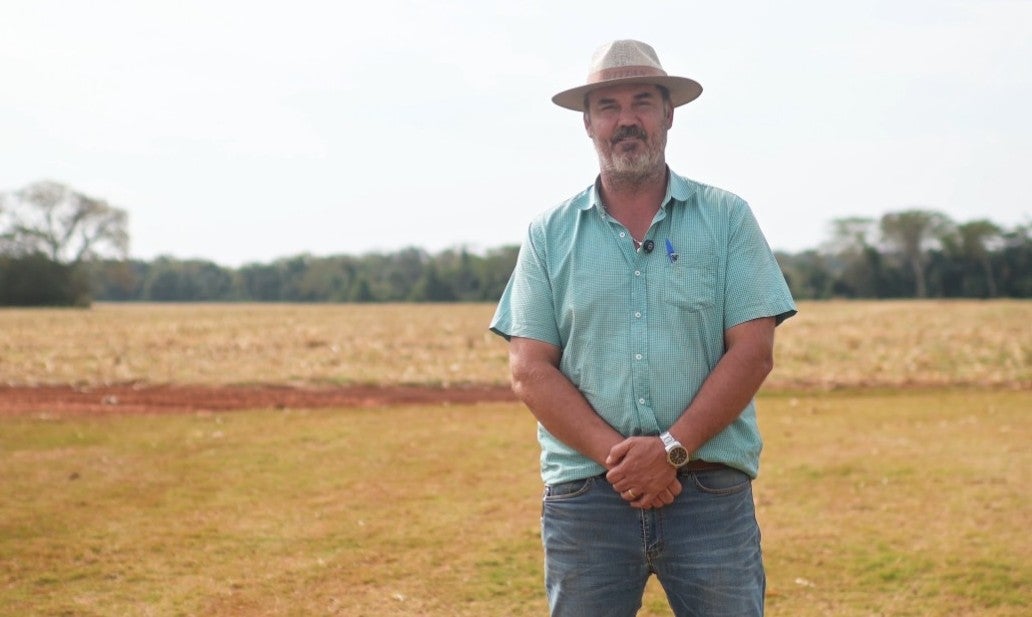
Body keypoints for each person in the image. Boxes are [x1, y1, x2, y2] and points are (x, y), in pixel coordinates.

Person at [489, 40, 797, 616]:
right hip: (587, 499)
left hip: (709, 494)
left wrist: (672, 450)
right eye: (608, 105)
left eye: (642, 102)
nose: (626, 119)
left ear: (668, 115)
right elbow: (529, 369)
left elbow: (753, 352)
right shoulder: (548, 233)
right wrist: (627, 462)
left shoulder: (727, 218)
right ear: (587, 123)